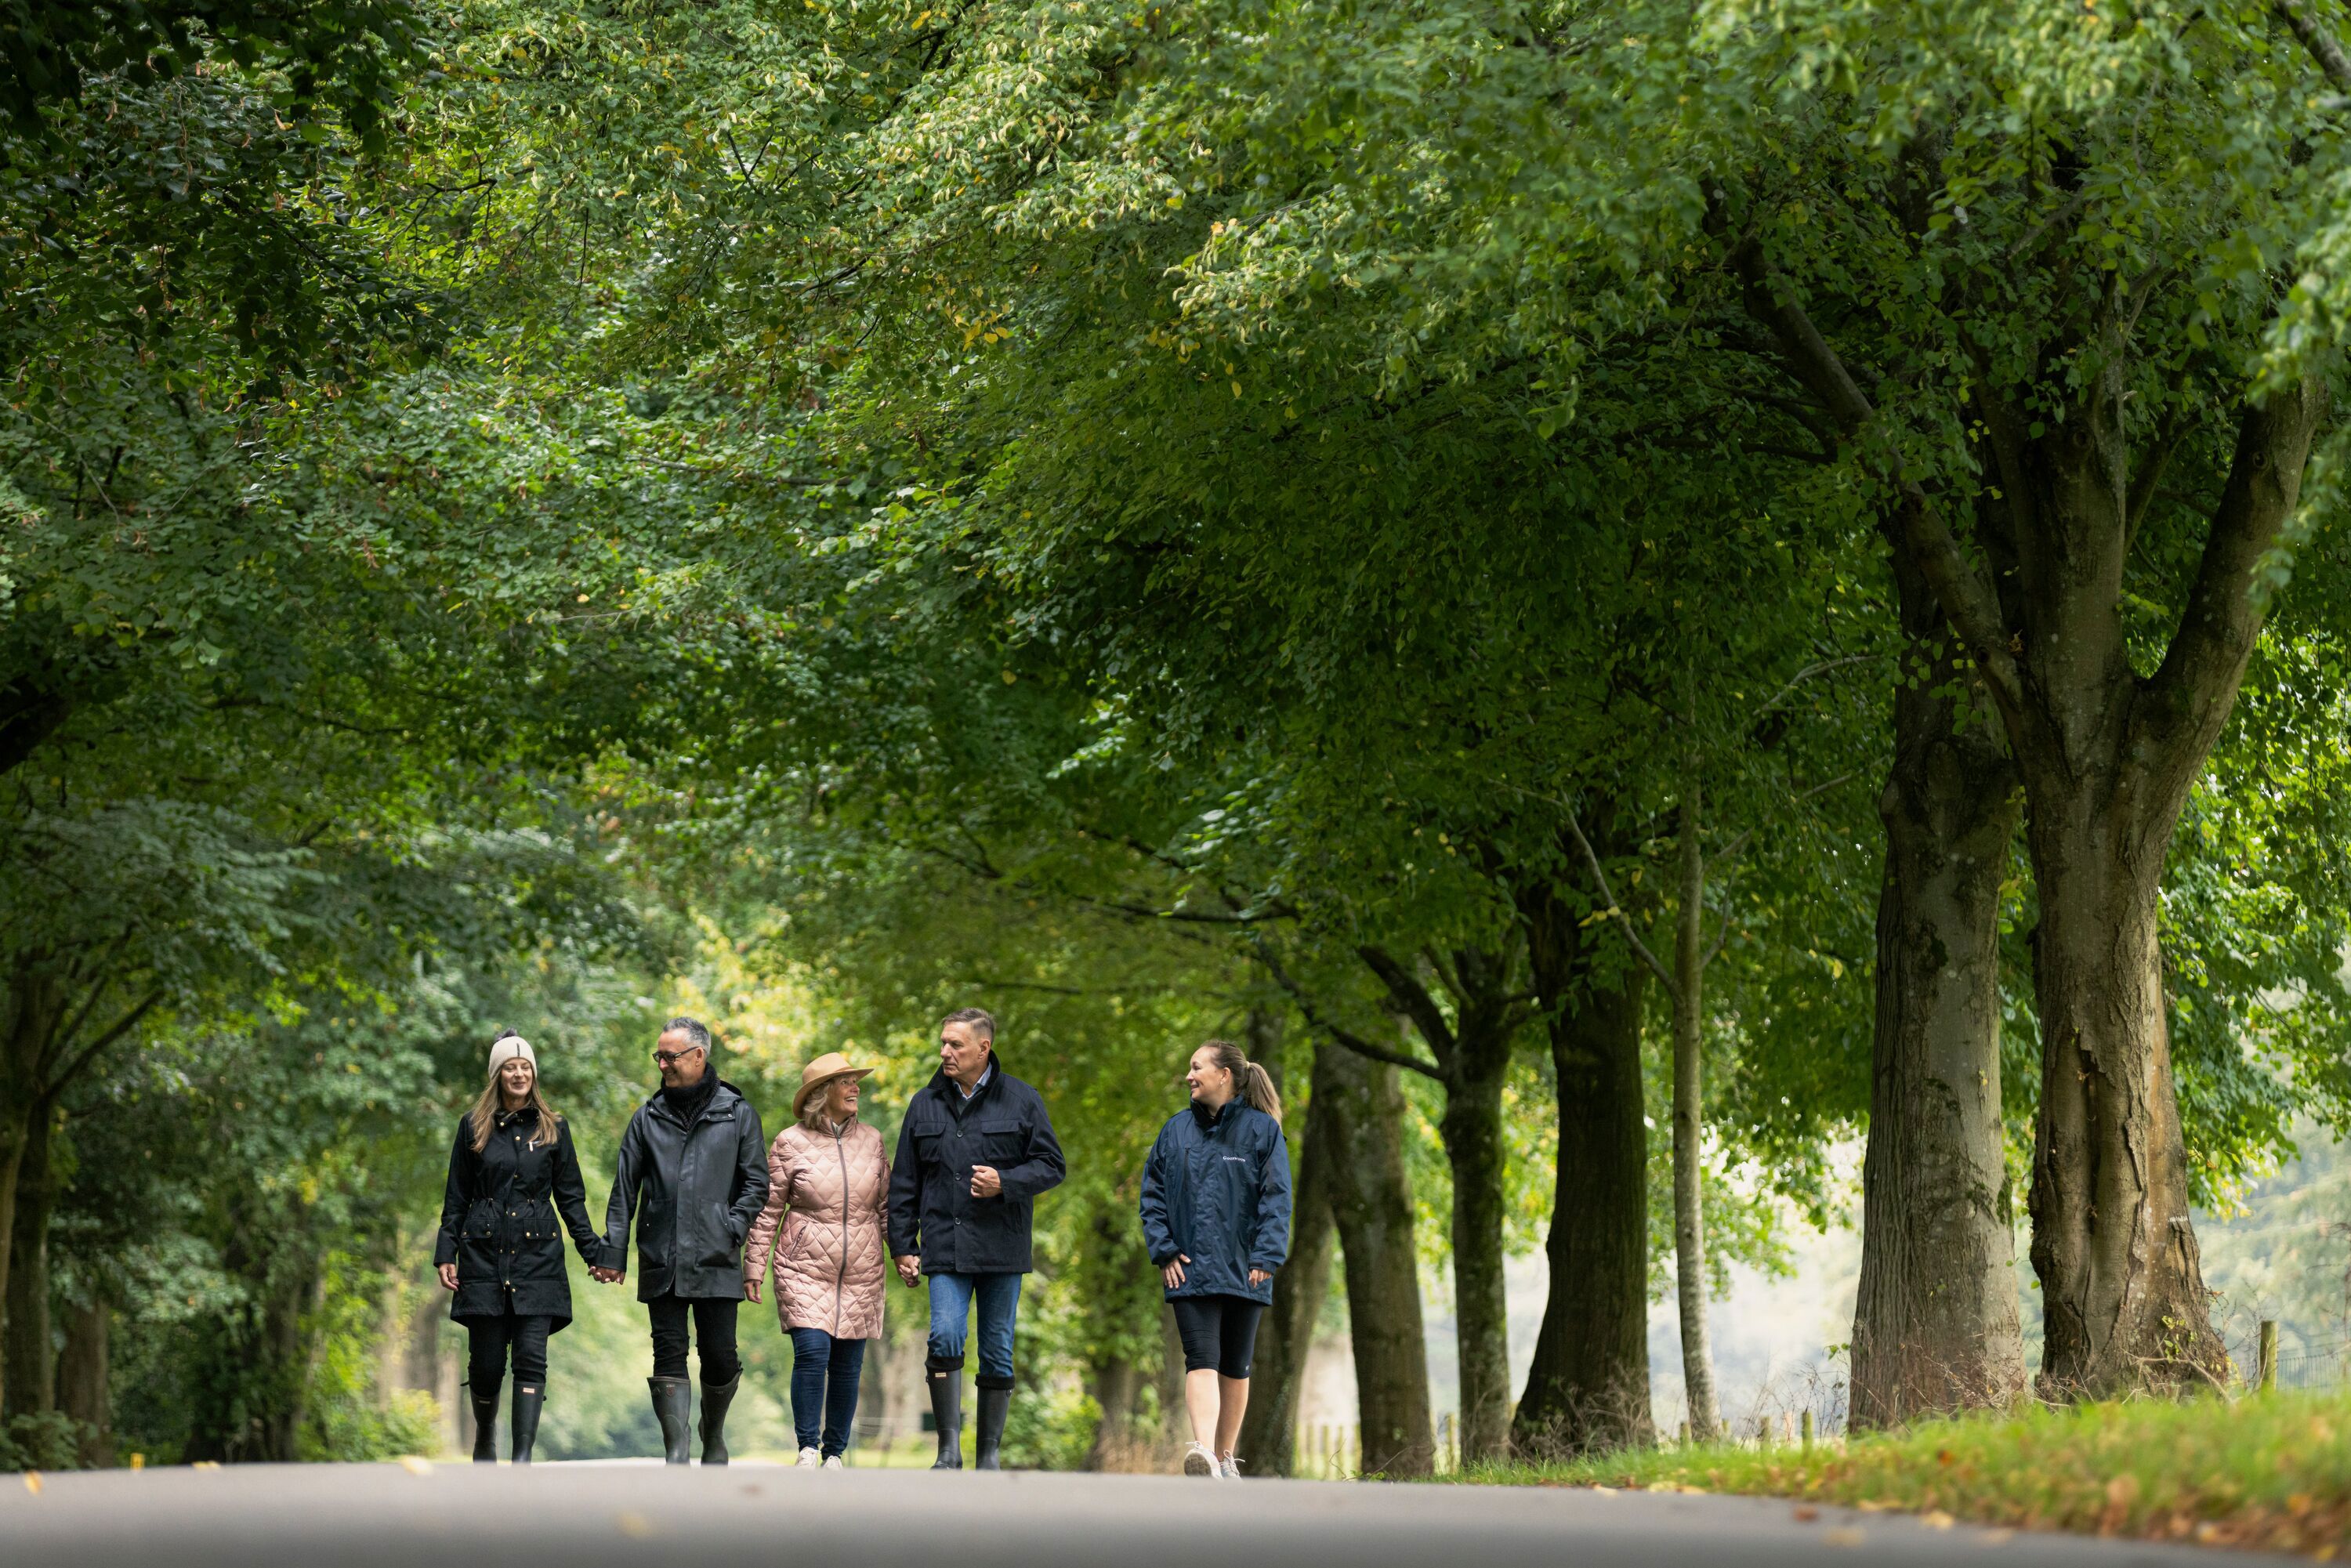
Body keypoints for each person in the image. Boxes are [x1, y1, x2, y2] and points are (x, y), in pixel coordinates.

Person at [889, 1007, 1065, 1470]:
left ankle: (988, 1455)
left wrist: (1005, 1182)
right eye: (943, 1043)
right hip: (944, 1246)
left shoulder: (1022, 1100)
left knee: (997, 1345)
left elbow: (1051, 1165)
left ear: (983, 1048)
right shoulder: (924, 1104)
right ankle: (949, 1451)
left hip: (1002, 1248)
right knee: (945, 1335)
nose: (945, 1052)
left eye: (956, 1045)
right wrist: (903, 1245)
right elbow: (904, 1182)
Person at [595, 1015, 770, 1465]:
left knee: (720, 1355)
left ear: (698, 1056)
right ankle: (677, 1448)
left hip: (717, 1254)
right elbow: (624, 1190)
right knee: (667, 1348)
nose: (663, 1066)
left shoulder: (738, 1113)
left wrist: (731, 1227)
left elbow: (757, 1184)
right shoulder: (646, 1118)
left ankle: (713, 1432)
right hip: (662, 1252)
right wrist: (613, 1252)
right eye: (659, 1057)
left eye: (671, 1057)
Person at [433, 1031, 604, 1465]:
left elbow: (571, 1198)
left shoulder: (555, 1128)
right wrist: (445, 1252)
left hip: (538, 1258)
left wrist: (595, 1253)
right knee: (487, 1364)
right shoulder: (472, 1126)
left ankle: (523, 1457)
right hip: (483, 1257)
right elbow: (456, 1196)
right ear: (497, 1075)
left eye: (526, 1067)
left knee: (531, 1357)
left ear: (534, 1074)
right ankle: (485, 1434)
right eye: (511, 1066)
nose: (519, 1073)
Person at [1139, 1038, 1292, 1479]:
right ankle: (1203, 1452)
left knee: (1236, 1365)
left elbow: (1277, 1199)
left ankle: (1225, 1459)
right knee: (1200, 1357)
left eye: (1196, 1067)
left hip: (1248, 1268)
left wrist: (1267, 1255)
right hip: (1188, 1268)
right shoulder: (1174, 1131)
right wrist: (1164, 1250)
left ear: (1224, 1075)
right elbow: (1152, 1197)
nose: (1189, 1076)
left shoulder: (1263, 1131)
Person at [744, 1052, 890, 1470]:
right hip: (803, 1265)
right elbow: (769, 1209)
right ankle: (808, 1446)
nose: (855, 1088)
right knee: (812, 1351)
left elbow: (886, 1206)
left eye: (855, 1081)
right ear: (822, 1093)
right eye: (845, 1082)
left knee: (848, 1364)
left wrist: (903, 1253)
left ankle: (835, 1453)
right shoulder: (790, 1142)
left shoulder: (874, 1140)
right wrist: (754, 1265)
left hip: (861, 1267)